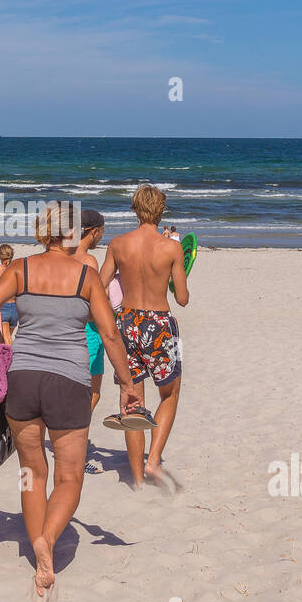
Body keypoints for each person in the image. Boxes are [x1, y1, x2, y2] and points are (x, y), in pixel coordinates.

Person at [0, 201, 138, 602]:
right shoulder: (86, 277)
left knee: (32, 470)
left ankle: (38, 550)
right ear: (72, 232)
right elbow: (110, 334)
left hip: (23, 379)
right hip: (69, 382)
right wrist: (127, 382)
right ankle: (47, 540)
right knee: (69, 476)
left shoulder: (21, 268)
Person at [99, 184, 189, 490]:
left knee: (131, 400)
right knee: (170, 394)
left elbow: (99, 285)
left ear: (135, 210)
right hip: (158, 324)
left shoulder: (118, 243)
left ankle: (136, 479)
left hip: (127, 323)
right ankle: (153, 461)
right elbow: (183, 298)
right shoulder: (171, 248)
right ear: (161, 211)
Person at [72, 210, 107, 475]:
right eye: (102, 232)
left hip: (66, 331)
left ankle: (70, 446)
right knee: (90, 396)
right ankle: (77, 452)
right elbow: (93, 302)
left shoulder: (61, 255)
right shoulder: (89, 260)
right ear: (93, 231)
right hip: (89, 332)